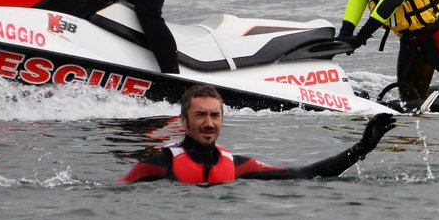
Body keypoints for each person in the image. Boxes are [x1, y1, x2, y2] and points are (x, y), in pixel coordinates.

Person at [118, 84, 397, 184]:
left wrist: (361, 148)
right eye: (200, 115)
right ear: (184, 120)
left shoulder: (238, 166)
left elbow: (304, 175)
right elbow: (113, 191)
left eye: (215, 115)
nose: (208, 123)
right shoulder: (158, 165)